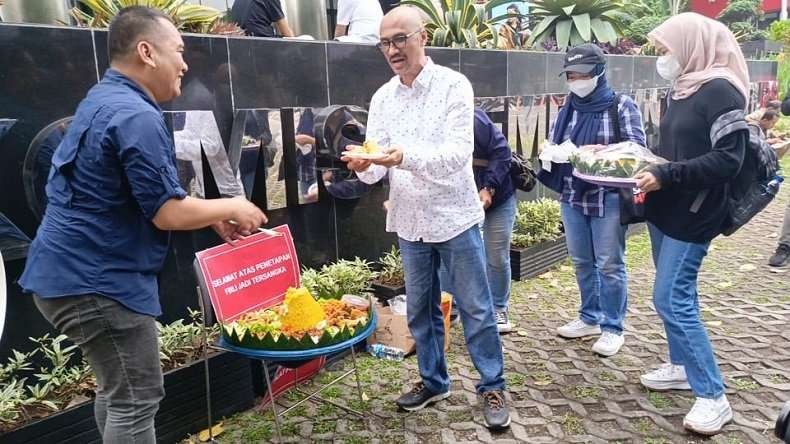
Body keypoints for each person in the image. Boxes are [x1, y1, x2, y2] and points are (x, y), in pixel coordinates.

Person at [18, 7, 267, 442]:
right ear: (147, 52)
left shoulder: (102, 100)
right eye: (179, 50)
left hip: (68, 278)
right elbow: (166, 211)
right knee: (136, 401)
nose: (185, 64)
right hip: (98, 283)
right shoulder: (135, 113)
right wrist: (233, 203)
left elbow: (139, 196)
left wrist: (212, 217)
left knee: (119, 394)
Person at [341, 6, 510, 430]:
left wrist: (402, 156)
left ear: (424, 37)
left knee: (475, 306)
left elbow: (456, 156)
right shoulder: (382, 98)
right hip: (410, 219)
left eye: (400, 39)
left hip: (454, 216)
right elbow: (379, 163)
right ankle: (434, 381)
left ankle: (492, 384)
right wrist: (367, 167)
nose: (393, 50)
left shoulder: (454, 86)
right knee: (420, 309)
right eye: (385, 43)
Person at [633, 12, 751, 435]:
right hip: (667, 208)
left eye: (667, 48)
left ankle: (713, 396)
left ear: (692, 44)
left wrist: (666, 174)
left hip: (696, 211)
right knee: (677, 296)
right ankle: (682, 366)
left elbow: (729, 159)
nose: (664, 57)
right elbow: (677, 149)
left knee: (671, 298)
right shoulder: (683, 89)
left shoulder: (721, 91)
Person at [541, 44, 646, 357]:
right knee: (582, 261)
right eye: (571, 74)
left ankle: (613, 327)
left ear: (599, 72)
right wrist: (552, 151)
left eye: (581, 73)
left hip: (608, 197)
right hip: (573, 194)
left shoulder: (621, 106)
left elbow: (635, 151)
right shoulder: (568, 109)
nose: (576, 80)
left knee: (610, 265)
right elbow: (555, 142)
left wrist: (594, 154)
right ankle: (590, 317)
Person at [442, 108, 517, 333]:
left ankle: (498, 307)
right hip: (459, 200)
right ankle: (450, 305)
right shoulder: (425, 124)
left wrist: (488, 187)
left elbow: (502, 153)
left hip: (497, 195)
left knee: (496, 255)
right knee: (449, 254)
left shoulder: (472, 118)